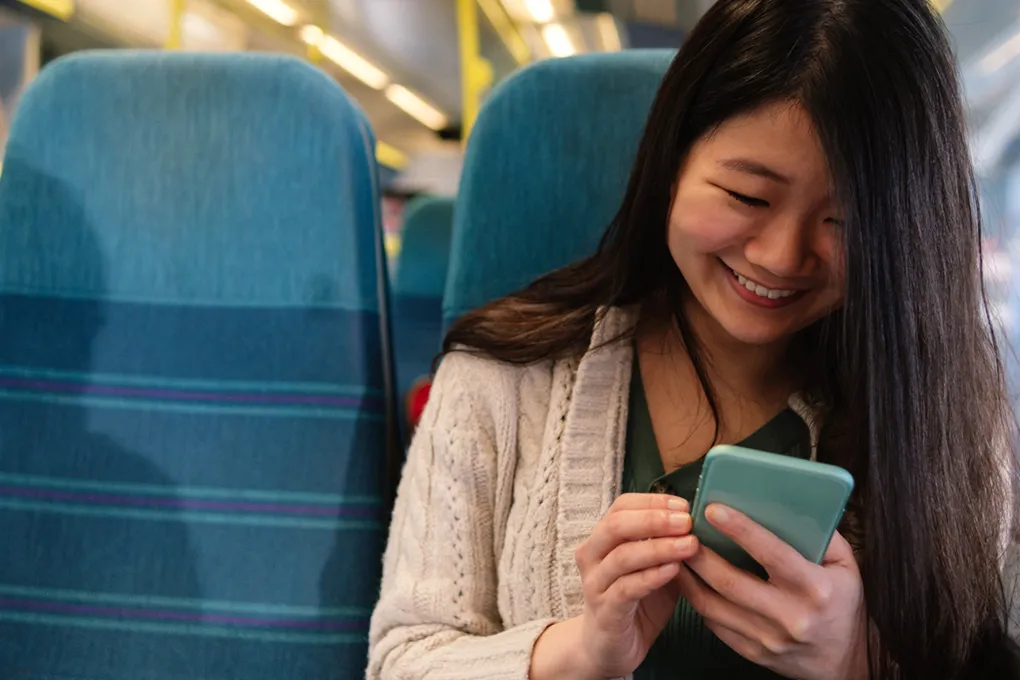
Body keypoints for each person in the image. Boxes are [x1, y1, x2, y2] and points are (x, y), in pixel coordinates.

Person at [367, 0, 1020, 677]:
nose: (781, 256)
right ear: (672, 162)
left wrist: (857, 661)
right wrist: (579, 654)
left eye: (846, 222)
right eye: (748, 197)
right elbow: (403, 659)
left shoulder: (952, 417)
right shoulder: (500, 377)